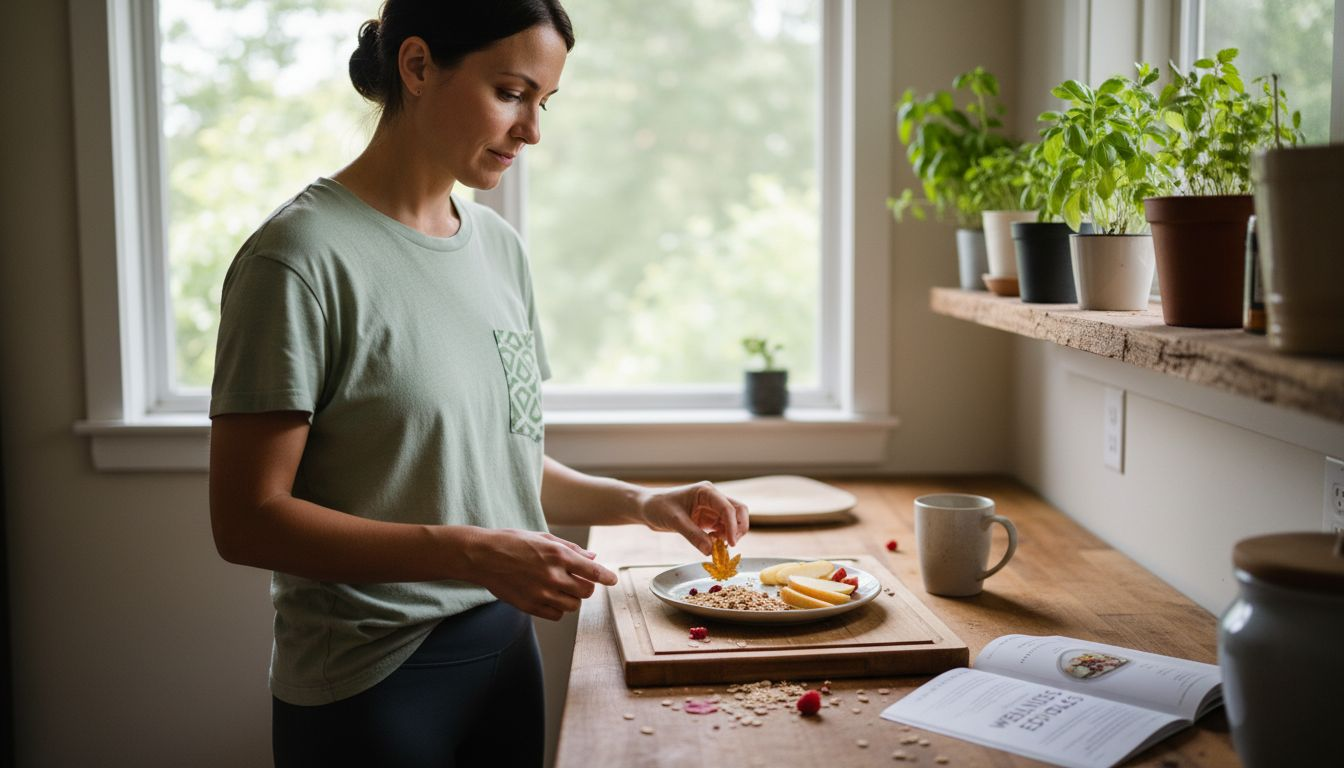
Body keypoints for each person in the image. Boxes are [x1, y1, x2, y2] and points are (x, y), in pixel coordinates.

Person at [206, 2, 749, 766]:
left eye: (544, 103)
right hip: (368, 686)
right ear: (419, 66)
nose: (532, 130)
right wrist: (468, 552)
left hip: (504, 651)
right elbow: (247, 522)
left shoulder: (498, 250)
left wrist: (639, 503)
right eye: (512, 93)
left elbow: (500, 461)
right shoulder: (296, 261)